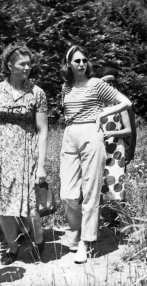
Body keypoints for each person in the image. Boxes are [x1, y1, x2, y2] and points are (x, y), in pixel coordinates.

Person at [60, 44, 132, 264]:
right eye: (77, 61)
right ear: (69, 64)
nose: (81, 64)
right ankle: (76, 229)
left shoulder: (97, 84)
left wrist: (103, 113)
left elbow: (125, 102)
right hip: (70, 135)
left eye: (84, 60)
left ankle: (85, 241)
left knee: (90, 190)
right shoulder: (66, 87)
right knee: (68, 193)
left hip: (92, 133)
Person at [0, 43, 48, 265]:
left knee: (31, 204)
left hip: (26, 154)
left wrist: (41, 165)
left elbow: (42, 131)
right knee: (2, 205)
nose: (28, 67)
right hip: (0, 154)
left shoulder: (37, 92)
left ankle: (38, 240)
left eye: (29, 63)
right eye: (23, 63)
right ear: (10, 64)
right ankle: (12, 247)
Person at [94, 66, 136, 228]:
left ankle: (126, 227)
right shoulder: (95, 105)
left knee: (116, 191)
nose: (110, 85)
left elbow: (128, 130)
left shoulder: (119, 103)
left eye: (113, 82)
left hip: (115, 153)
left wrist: (111, 133)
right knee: (97, 190)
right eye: (106, 82)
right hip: (98, 151)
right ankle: (97, 228)